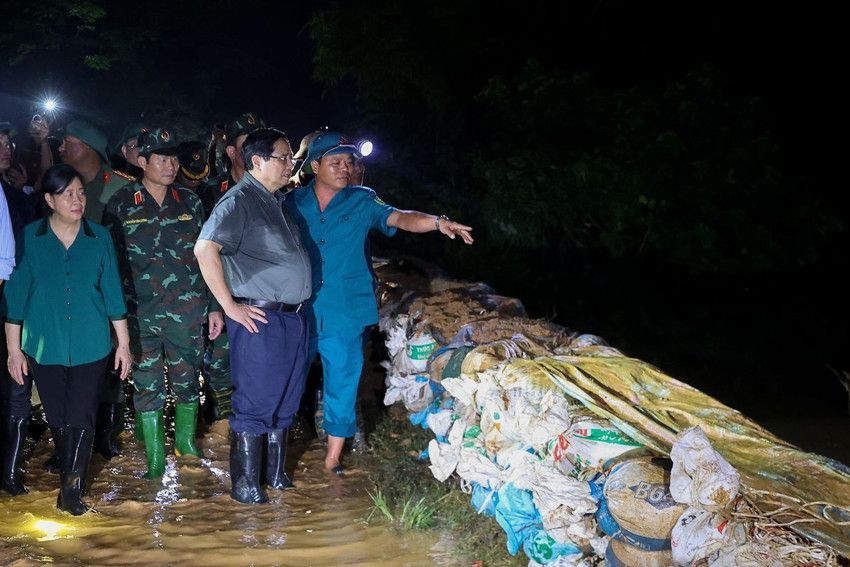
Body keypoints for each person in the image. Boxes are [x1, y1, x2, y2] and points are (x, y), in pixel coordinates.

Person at [286, 131, 473, 475]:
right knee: (288, 378)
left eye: (349, 162)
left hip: (345, 310)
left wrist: (437, 222)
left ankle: (331, 460)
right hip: (300, 308)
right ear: (315, 166)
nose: (345, 168)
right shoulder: (291, 203)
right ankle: (278, 452)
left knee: (342, 381)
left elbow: (400, 217)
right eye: (335, 162)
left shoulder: (362, 200)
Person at [3, 164, 131, 515]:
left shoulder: (99, 237)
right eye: (68, 194)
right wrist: (14, 350)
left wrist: (123, 344)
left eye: (81, 193)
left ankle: (71, 493)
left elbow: (113, 292)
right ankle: (70, 481)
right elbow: (16, 297)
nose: (77, 200)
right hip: (44, 345)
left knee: (81, 415)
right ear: (49, 200)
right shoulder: (30, 237)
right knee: (58, 417)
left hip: (92, 343)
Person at [195, 127, 311, 504]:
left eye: (292, 157)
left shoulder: (276, 201)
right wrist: (229, 306)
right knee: (256, 403)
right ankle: (246, 487)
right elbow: (204, 249)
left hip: (292, 318)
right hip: (260, 318)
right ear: (257, 161)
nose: (290, 164)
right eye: (284, 157)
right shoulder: (239, 201)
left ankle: (274, 476)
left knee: (286, 399)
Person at [103, 127, 222, 480]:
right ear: (142, 161)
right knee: (146, 383)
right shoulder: (121, 204)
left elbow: (208, 258)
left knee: (187, 379)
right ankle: (155, 459)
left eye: (173, 159)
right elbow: (110, 263)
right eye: (162, 159)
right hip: (139, 314)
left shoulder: (191, 203)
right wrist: (114, 317)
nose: (171, 165)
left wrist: (215, 305)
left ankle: (185, 444)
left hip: (186, 310)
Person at [57, 119, 133, 461]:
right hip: (71, 292)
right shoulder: (60, 188)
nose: (61, 147)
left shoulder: (121, 188)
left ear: (87, 147)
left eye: (67, 142)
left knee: (113, 363)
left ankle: (106, 434)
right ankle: (69, 440)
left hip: (114, 291)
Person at [194, 113, 265, 422]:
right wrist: (214, 303)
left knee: (260, 363)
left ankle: (255, 423)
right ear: (233, 152)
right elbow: (199, 251)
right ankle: (223, 423)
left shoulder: (275, 193)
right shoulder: (211, 192)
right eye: (247, 145)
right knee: (219, 363)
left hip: (263, 296)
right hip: (222, 294)